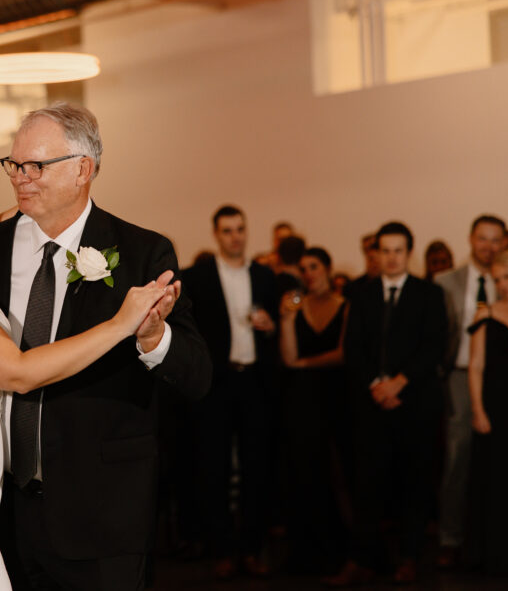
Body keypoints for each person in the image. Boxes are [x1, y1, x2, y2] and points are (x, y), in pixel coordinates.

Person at [0, 108, 211, 591]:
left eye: (36, 167)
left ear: (83, 169)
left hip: (99, 513)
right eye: (14, 164)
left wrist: (153, 339)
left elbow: (197, 376)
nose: (18, 178)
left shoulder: (142, 252)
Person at [327, 222, 447, 587]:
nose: (392, 257)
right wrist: (376, 384)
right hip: (371, 403)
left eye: (398, 250)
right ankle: (361, 559)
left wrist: (399, 382)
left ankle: (409, 558)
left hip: (415, 403)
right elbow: (354, 349)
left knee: (414, 482)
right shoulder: (361, 295)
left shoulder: (429, 294)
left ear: (408, 253)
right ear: (376, 253)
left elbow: (434, 345)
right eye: (385, 250)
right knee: (367, 485)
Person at [180, 205, 278, 580]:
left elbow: (276, 324)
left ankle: (252, 549)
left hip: (254, 381)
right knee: (213, 467)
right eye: (227, 230)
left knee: (258, 468)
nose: (235, 236)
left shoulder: (265, 275)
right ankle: (222, 549)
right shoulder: (198, 277)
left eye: (240, 229)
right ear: (216, 234)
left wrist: (268, 327)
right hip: (216, 383)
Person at [435, 215, 505, 568]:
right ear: (470, 239)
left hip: (503, 381)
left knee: (499, 460)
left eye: (495, 240)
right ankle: (449, 538)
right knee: (457, 457)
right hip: (459, 378)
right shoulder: (445, 282)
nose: (488, 247)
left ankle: (493, 535)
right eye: (483, 239)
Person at [278, 247, 349, 573]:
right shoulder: (295, 307)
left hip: (337, 395)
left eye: (314, 267)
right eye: (304, 269)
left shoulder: (345, 306)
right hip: (302, 398)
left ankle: (342, 548)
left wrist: (305, 363)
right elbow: (288, 357)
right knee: (303, 470)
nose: (308, 274)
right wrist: (287, 321)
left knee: (337, 471)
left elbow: (343, 355)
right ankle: (306, 550)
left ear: (328, 269)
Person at [466, 250, 508, 575]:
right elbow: (475, 366)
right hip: (496, 405)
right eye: (497, 279)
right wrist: (478, 409)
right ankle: (495, 554)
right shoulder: (485, 314)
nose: (503, 284)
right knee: (498, 478)